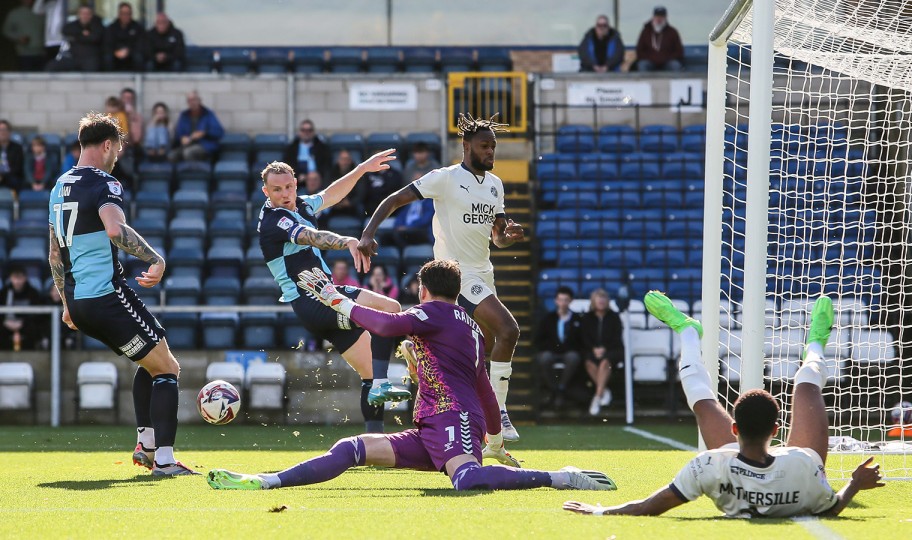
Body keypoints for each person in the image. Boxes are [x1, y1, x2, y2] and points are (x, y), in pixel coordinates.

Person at [206, 259, 617, 493]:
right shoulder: (468, 324)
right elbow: (485, 390)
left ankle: (562, 478)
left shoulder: (435, 312)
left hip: (450, 418)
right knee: (352, 448)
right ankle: (266, 481)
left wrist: (336, 299)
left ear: (424, 289)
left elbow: (385, 326)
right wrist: (494, 439)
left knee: (467, 479)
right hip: (434, 426)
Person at [564, 292, 885, 518]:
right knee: (806, 381)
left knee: (702, 401)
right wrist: (854, 484)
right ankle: (816, 341)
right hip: (797, 467)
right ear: (777, 430)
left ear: (734, 429)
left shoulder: (709, 465)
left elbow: (649, 506)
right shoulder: (804, 467)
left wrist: (601, 510)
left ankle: (688, 331)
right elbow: (832, 509)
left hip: (742, 466)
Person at [359, 113, 526, 441]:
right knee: (509, 330)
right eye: (484, 146)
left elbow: (497, 237)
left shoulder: (495, 185)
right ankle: (501, 415)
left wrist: (510, 235)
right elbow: (395, 199)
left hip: (484, 272)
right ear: (466, 146)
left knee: (482, 346)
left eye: (493, 146)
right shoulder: (445, 178)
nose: (491, 152)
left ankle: (420, 352)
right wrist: (367, 234)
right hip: (458, 273)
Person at [48, 112, 194, 475]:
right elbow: (116, 230)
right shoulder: (105, 183)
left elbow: (54, 253)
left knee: (151, 356)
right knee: (168, 370)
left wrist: (67, 303)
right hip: (107, 295)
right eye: (117, 150)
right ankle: (164, 460)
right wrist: (155, 258)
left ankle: (145, 444)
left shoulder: (58, 185)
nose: (117, 158)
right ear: (108, 145)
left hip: (81, 302)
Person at [256, 158, 413, 433]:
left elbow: (331, 194)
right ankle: (408, 352)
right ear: (265, 192)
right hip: (313, 301)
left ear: (295, 184)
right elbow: (311, 236)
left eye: (289, 187)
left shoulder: (302, 204)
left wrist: (361, 168)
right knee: (389, 310)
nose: (284, 194)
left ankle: (374, 440)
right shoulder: (275, 220)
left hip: (323, 299)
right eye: (277, 189)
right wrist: (348, 241)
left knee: (371, 370)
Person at [535, 286, 582, 409]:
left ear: (571, 301)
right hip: (552, 352)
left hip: (569, 352)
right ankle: (555, 389)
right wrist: (554, 347)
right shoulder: (548, 318)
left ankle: (560, 387)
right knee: (545, 358)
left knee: (573, 357)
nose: (563, 303)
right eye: (561, 300)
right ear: (556, 301)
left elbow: (581, 339)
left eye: (566, 300)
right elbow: (539, 339)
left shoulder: (577, 319)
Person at [580, 288, 622, 416]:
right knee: (589, 363)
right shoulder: (587, 318)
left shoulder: (614, 317)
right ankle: (604, 390)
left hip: (613, 350)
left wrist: (605, 349)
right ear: (594, 301)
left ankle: (597, 398)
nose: (601, 301)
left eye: (604, 298)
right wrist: (594, 348)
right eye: (599, 298)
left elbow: (617, 337)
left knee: (605, 363)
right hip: (592, 350)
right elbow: (584, 337)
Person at [169, 91, 224, 163]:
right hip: (187, 145)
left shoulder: (208, 114)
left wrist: (203, 133)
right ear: (187, 103)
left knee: (188, 153)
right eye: (190, 100)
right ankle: (177, 173)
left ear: (199, 100)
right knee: (171, 155)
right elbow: (179, 133)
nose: (192, 102)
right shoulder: (184, 115)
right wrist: (182, 138)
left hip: (204, 146)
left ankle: (194, 172)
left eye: (194, 99)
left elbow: (219, 132)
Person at [0, 265, 45, 351]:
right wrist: (5, 322)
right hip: (6, 323)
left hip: (26, 324)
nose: (17, 281)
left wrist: (22, 323)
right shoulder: (4, 293)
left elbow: (38, 314)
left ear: (24, 278)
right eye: (14, 278)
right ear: (11, 278)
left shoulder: (33, 293)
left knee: (34, 330)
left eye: (19, 278)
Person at [633, 6, 684, 72]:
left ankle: (676, 82)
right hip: (650, 62)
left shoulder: (672, 32)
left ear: (666, 18)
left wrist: (665, 58)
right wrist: (652, 58)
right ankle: (644, 82)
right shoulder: (646, 31)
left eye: (662, 17)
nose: (659, 19)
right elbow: (639, 50)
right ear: (653, 17)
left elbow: (679, 51)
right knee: (642, 65)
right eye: (657, 16)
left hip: (667, 61)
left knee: (675, 65)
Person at [56, 5, 103, 72]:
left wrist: (77, 37)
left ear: (91, 15)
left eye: (87, 14)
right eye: (83, 13)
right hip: (74, 57)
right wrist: (81, 33)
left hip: (90, 59)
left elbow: (94, 38)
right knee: (53, 66)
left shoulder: (97, 26)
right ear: (78, 15)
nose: (85, 16)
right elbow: (65, 30)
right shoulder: (74, 25)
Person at [283, 119, 330, 186]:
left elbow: (326, 165)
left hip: (317, 179)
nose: (306, 133)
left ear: (313, 132)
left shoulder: (321, 147)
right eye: (303, 130)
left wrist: (318, 175)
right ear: (299, 132)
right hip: (298, 180)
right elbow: (288, 165)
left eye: (309, 130)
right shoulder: (292, 148)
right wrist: (298, 175)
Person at [3, 0, 46, 71]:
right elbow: (6, 30)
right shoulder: (14, 14)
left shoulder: (42, 13)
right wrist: (18, 38)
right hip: (24, 53)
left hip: (42, 53)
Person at [103, 2, 143, 72]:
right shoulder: (111, 28)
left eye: (128, 14)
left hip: (131, 55)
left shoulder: (137, 28)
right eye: (123, 14)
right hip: (115, 55)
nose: (126, 16)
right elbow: (107, 44)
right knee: (107, 58)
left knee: (139, 58)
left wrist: (128, 51)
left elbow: (140, 44)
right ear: (119, 14)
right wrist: (115, 52)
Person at [325, 149, 362, 218]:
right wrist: (335, 203)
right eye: (342, 159)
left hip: (352, 204)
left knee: (361, 209)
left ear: (350, 161)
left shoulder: (358, 173)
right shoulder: (331, 173)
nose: (345, 162)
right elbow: (325, 190)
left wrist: (350, 202)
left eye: (347, 159)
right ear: (338, 161)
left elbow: (361, 192)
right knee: (323, 210)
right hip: (333, 203)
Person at [0, 120, 26, 192]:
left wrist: (3, 176)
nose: (2, 132)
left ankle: (16, 202)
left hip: (11, 177)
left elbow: (18, 168)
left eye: (4, 130)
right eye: (0, 130)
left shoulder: (17, 148)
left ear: (9, 132)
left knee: (16, 181)